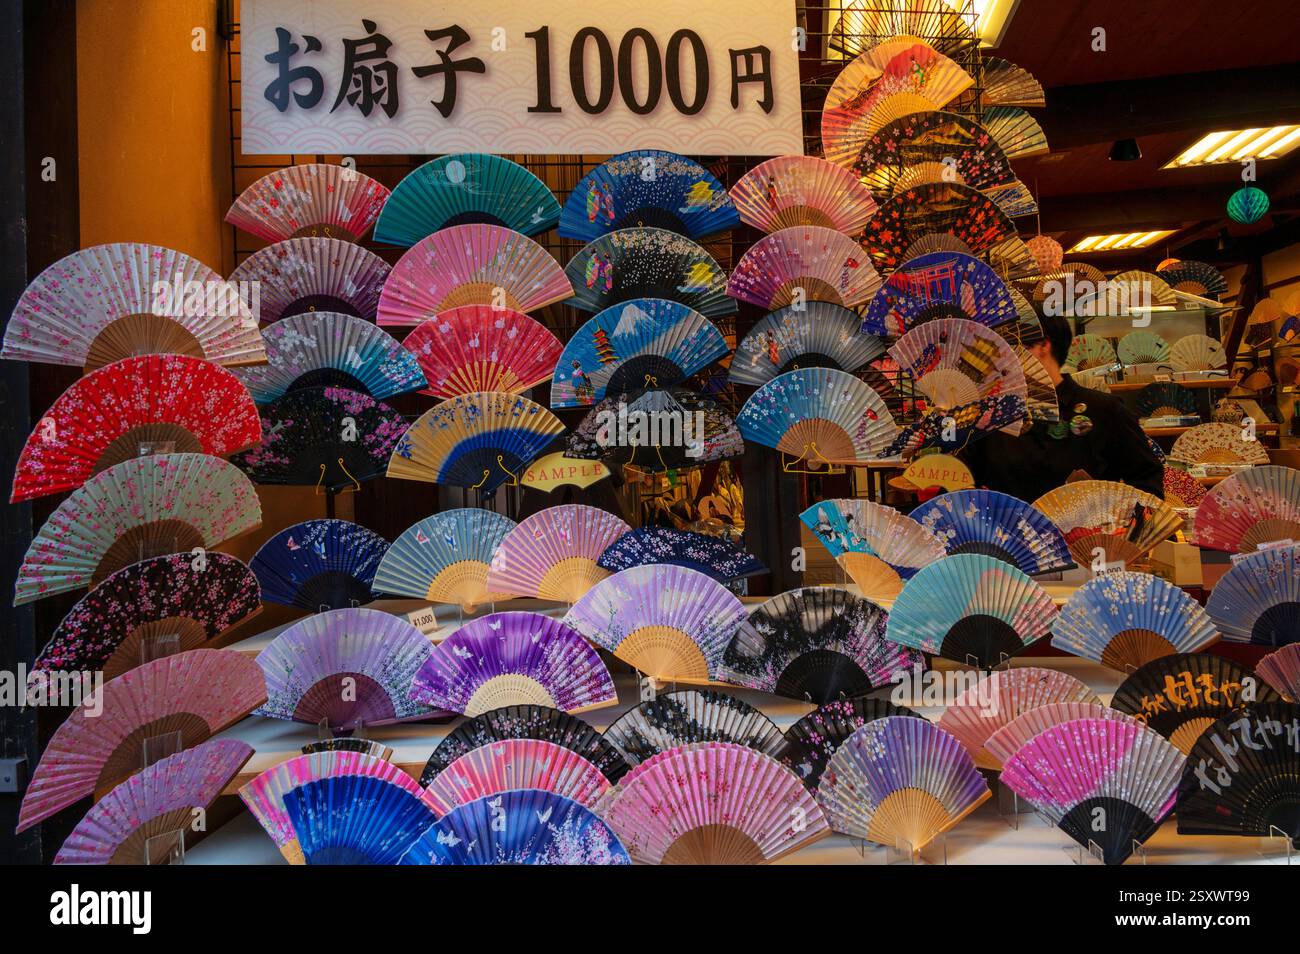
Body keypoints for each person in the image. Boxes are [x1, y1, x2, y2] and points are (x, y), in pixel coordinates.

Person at [962, 311, 1165, 501]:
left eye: (1008, 346)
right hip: (1005, 536)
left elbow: (1146, 480)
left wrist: (1115, 522)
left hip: (1086, 537)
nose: (999, 359)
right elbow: (963, 481)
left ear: (1043, 346)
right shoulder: (989, 416)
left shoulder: (1104, 411)